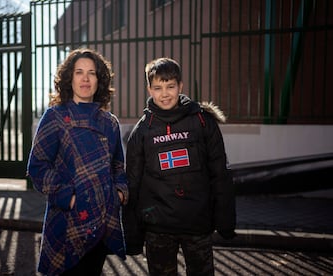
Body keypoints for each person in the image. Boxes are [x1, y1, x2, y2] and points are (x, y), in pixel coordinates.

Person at [123, 57, 236, 275]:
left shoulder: (203, 121)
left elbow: (220, 173)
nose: (164, 93)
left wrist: (225, 221)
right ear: (149, 89)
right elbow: (133, 184)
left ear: (180, 86)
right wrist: (133, 235)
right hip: (158, 228)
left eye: (170, 86)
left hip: (198, 225)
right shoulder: (142, 131)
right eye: (157, 87)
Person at [27, 48, 128, 275]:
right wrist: (68, 197)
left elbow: (118, 167)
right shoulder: (55, 117)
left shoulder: (109, 122)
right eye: (78, 72)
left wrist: (119, 193)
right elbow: (37, 166)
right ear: (69, 79)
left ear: (99, 80)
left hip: (102, 222)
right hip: (66, 221)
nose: (85, 78)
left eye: (91, 73)